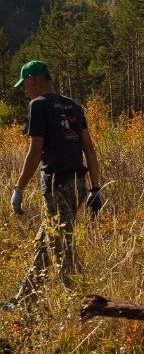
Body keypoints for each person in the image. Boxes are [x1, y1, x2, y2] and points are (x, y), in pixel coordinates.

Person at [7, 60, 103, 307]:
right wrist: (94, 188)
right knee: (45, 241)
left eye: (25, 84)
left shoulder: (38, 105)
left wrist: (18, 189)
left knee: (63, 248)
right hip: (78, 185)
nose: (25, 89)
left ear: (35, 80)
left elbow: (35, 150)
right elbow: (89, 149)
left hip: (56, 186)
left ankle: (79, 305)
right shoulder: (73, 106)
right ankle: (24, 300)